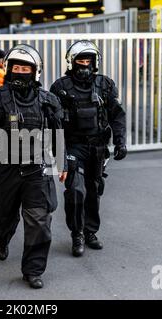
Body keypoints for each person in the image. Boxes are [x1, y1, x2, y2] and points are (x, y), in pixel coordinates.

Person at [0, 44, 67, 289]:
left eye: (26, 68)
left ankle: (33, 270)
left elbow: (58, 133)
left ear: (35, 71)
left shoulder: (48, 100)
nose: (21, 71)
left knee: (39, 220)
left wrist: (63, 162)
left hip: (36, 168)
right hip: (2, 167)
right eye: (16, 67)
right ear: (9, 69)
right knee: (2, 218)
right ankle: (1, 239)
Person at [50, 40, 127, 257]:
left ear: (94, 63)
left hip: (98, 146)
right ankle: (77, 234)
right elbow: (53, 124)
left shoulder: (105, 85)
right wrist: (59, 158)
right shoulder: (60, 87)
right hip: (74, 146)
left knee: (94, 190)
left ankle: (90, 231)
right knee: (75, 190)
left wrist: (120, 141)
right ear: (71, 62)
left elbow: (117, 115)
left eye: (88, 61)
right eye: (80, 61)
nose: (84, 65)